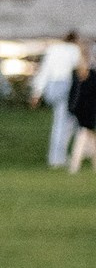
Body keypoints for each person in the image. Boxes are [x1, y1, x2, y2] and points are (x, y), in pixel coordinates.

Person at [35, 32, 83, 167]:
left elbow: (44, 71)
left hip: (52, 85)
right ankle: (57, 158)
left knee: (64, 122)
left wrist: (37, 91)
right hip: (66, 84)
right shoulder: (74, 50)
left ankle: (60, 155)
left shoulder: (53, 49)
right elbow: (81, 69)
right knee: (63, 123)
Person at [69, 46, 96, 174]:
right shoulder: (84, 76)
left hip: (85, 110)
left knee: (88, 137)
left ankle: (79, 163)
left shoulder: (81, 76)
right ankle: (75, 164)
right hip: (85, 111)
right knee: (84, 135)